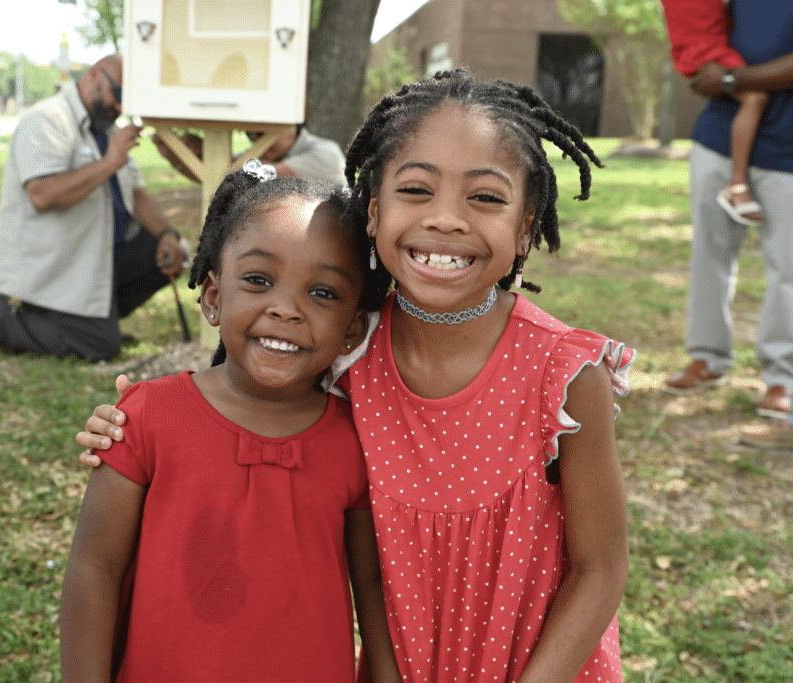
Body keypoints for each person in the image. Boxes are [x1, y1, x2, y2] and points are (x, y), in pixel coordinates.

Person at [77, 69, 635, 682]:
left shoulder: (563, 374)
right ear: (374, 210)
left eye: (486, 197)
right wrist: (131, 422)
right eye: (417, 190)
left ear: (527, 225)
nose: (446, 220)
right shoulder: (350, 350)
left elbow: (601, 569)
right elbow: (251, 387)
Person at [59, 160, 400, 682]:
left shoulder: (356, 440)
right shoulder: (148, 416)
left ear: (353, 329)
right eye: (259, 280)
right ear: (214, 298)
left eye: (323, 292)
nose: (286, 309)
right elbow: (94, 569)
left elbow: (370, 584)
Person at [0, 54, 188, 361]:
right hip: (56, 266)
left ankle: (94, 320)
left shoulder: (108, 129)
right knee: (101, 346)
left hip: (98, 257)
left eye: (130, 101)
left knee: (176, 251)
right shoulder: (47, 119)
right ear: (93, 76)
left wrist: (167, 233)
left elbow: (137, 193)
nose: (121, 108)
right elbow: (43, 194)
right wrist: (109, 162)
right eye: (119, 94)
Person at [662, 0, 793, 420]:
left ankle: (782, 379)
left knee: (788, 270)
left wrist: (733, 77)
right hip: (719, 136)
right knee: (710, 255)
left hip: (788, 149)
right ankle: (707, 358)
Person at [661, 0, 767, 225]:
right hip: (705, 50)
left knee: (752, 98)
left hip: (707, 46)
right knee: (755, 97)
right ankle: (736, 186)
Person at [153, 124, 346, 185]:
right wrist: (174, 157)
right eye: (250, 134)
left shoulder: (327, 154)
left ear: (289, 128)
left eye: (262, 133)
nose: (256, 142)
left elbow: (237, 175)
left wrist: (204, 149)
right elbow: (214, 178)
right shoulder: (273, 153)